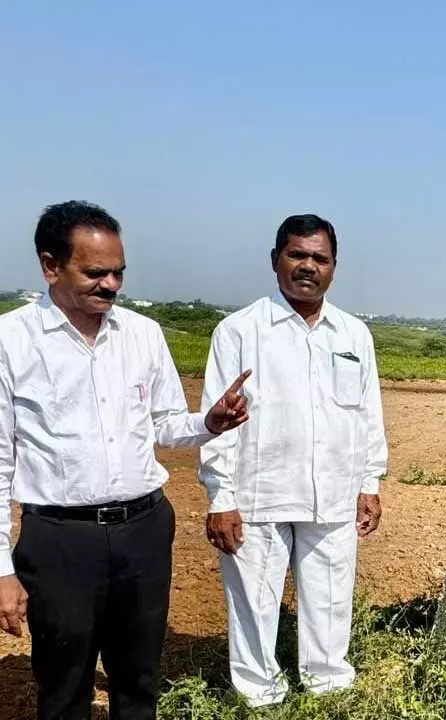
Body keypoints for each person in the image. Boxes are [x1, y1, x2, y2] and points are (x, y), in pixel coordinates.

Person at [0, 201, 251, 719]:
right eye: (95, 272)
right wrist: (1, 569)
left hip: (143, 529)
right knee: (64, 685)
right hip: (60, 541)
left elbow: (164, 424)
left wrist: (209, 422)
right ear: (50, 265)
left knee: (138, 679)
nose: (111, 284)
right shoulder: (11, 342)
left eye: (118, 272)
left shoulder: (142, 334)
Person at [198, 213, 387, 707]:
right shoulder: (239, 331)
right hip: (260, 491)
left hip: (335, 491)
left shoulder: (352, 335)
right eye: (297, 255)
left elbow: (368, 413)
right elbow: (217, 420)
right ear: (275, 260)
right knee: (255, 603)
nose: (308, 266)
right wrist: (221, 495)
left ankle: (328, 691)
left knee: (330, 597)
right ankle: (259, 696)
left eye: (319, 258)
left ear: (334, 267)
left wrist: (370, 482)